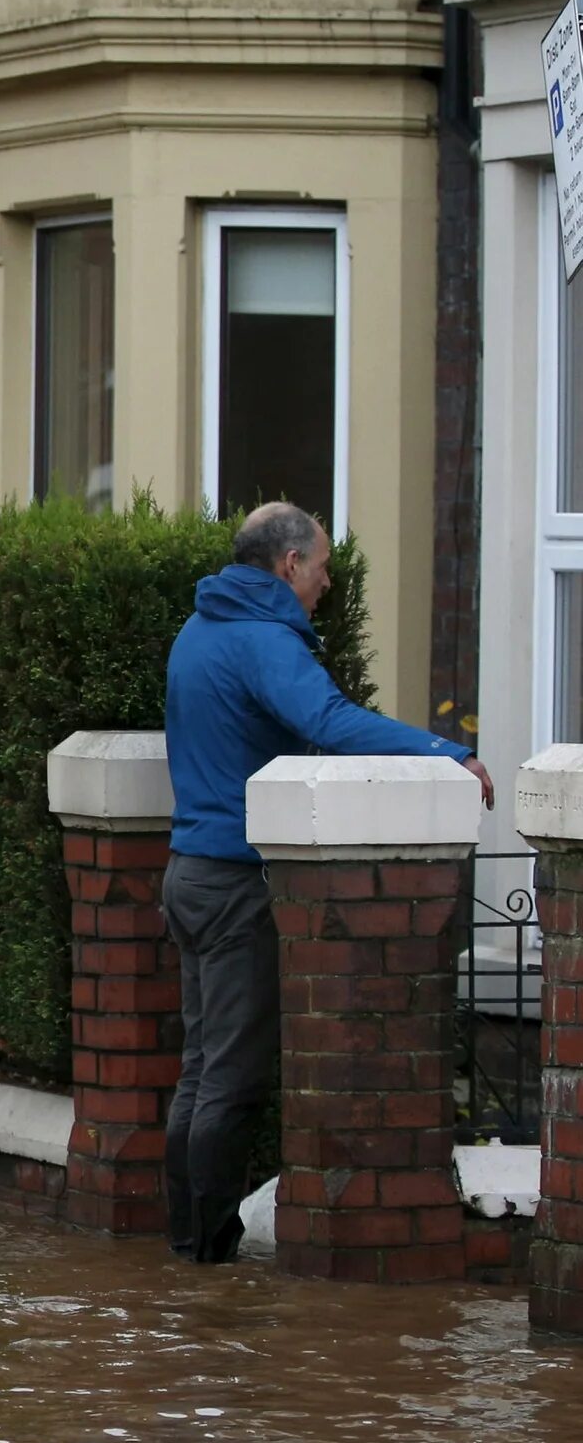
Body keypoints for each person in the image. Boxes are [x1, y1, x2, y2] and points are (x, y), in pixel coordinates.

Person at [160, 501, 491, 1265]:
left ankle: (185, 1247)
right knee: (232, 1082)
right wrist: (445, 750)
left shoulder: (199, 629)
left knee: (201, 1067)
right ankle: (207, 1254)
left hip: (188, 875)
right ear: (287, 565)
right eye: (321, 568)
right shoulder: (263, 640)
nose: (326, 584)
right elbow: (332, 720)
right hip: (237, 883)